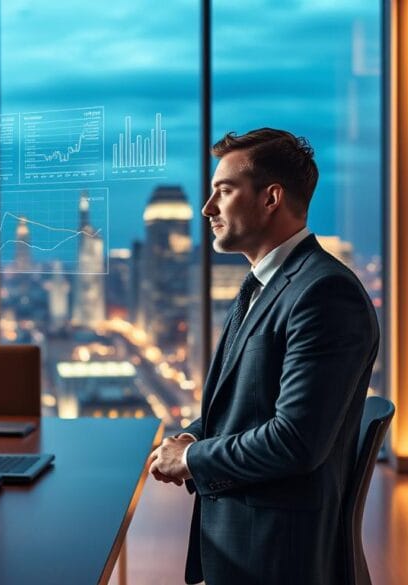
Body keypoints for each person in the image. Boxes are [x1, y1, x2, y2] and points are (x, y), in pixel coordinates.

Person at [148, 128, 379, 584]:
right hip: (248, 539)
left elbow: (295, 441)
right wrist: (192, 438)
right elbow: (248, 404)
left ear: (271, 198)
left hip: (274, 555)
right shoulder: (266, 283)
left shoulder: (324, 293)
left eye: (224, 191)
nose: (207, 208)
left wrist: (191, 460)